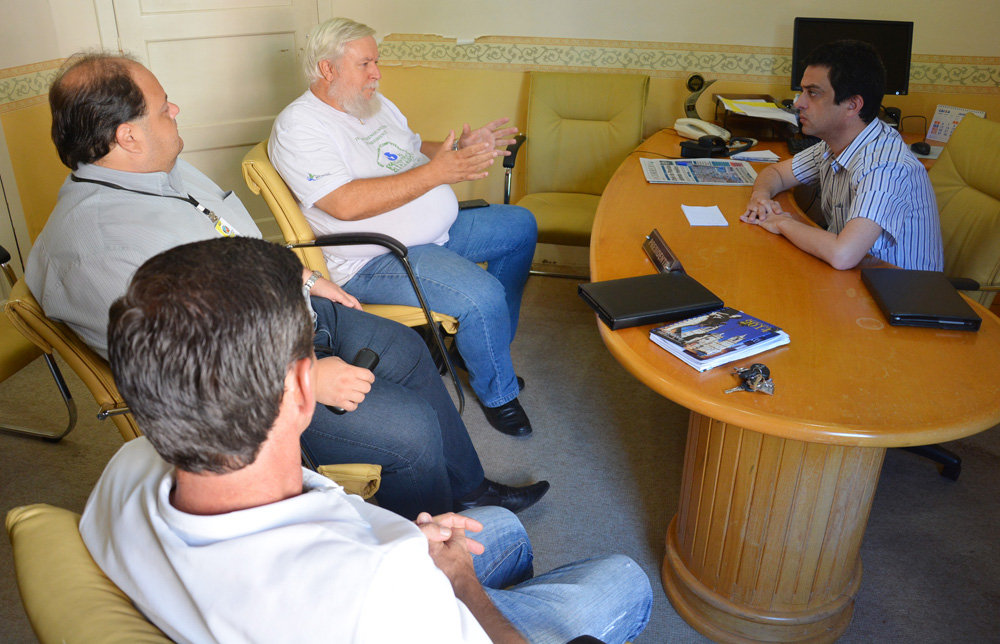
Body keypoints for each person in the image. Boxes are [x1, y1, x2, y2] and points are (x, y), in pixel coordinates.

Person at [25, 52, 548, 519]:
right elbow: (184, 365)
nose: (176, 111)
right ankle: (429, 565)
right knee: (409, 431)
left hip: (291, 310)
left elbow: (229, 238)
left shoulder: (164, 172)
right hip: (251, 388)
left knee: (407, 346)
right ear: (127, 136)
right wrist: (304, 377)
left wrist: (304, 275)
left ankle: (469, 489)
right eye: (163, 107)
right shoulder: (97, 247)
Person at [79, 236, 653, 644]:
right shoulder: (376, 588)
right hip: (392, 604)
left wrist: (411, 543)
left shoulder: (127, 468)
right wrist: (458, 586)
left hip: (342, 579)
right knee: (623, 579)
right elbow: (376, 587)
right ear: (304, 386)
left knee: (501, 529)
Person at [269, 17, 538, 437]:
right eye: (366, 64)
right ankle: (498, 394)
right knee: (481, 295)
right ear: (328, 69)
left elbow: (413, 149)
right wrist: (437, 175)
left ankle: (481, 351)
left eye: (377, 61)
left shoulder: (372, 102)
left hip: (434, 233)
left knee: (520, 225)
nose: (377, 73)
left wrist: (454, 151)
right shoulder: (299, 127)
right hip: (376, 255)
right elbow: (344, 203)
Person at [740, 40, 943, 271]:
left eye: (813, 93)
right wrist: (760, 196)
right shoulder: (834, 144)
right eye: (802, 91)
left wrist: (781, 222)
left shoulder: (886, 166)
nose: (799, 103)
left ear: (852, 105)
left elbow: (842, 254)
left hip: (900, 297)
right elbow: (776, 172)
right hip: (857, 280)